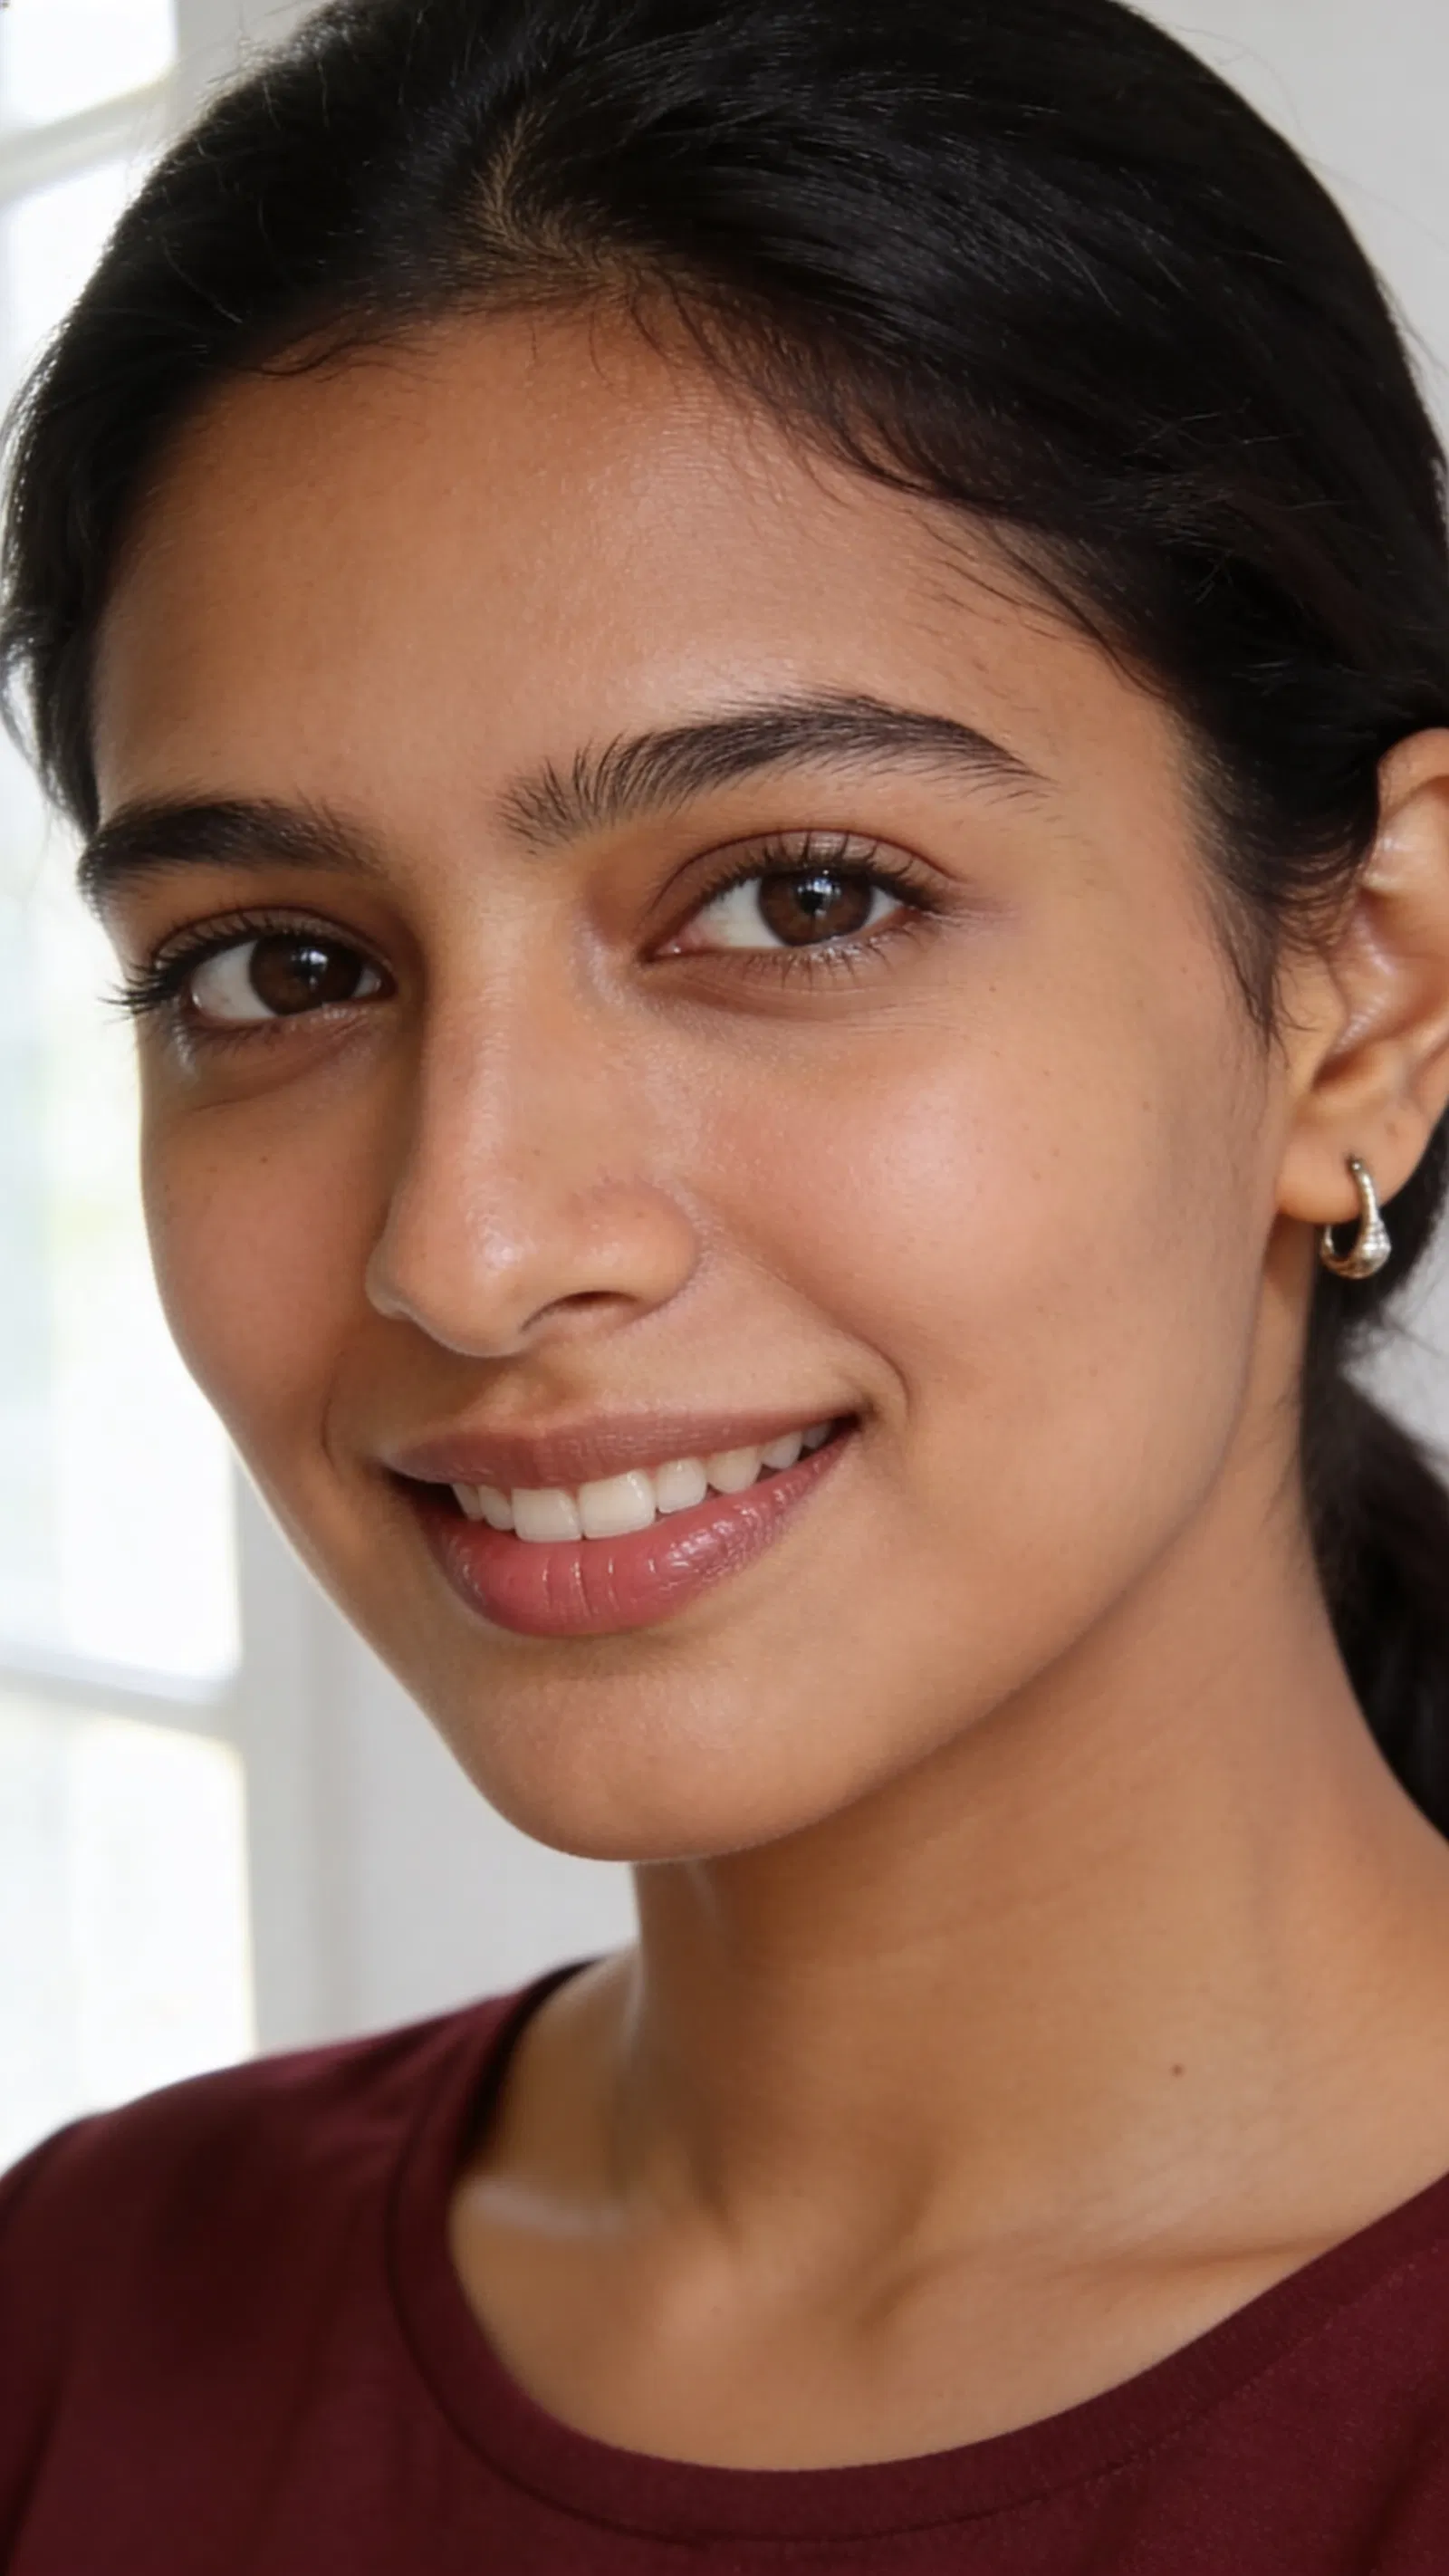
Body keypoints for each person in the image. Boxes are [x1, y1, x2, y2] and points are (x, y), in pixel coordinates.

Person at [5, 0, 1449, 2563]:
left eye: (802, 899)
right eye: (275, 968)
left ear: (1378, 985)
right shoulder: (83, 2317)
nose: (468, 1241)